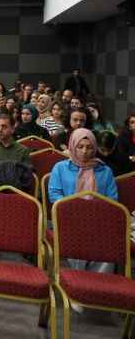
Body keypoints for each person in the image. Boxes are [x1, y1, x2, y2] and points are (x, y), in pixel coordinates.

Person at [48, 128, 117, 303]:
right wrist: (75, 210)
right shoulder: (61, 168)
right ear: (72, 146)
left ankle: (98, 288)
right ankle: (77, 288)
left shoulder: (105, 171)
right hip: (69, 219)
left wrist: (94, 214)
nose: (85, 151)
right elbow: (54, 194)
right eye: (80, 147)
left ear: (95, 148)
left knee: (110, 239)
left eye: (89, 147)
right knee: (77, 235)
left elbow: (112, 200)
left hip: (98, 220)